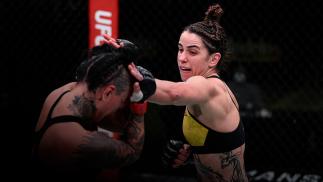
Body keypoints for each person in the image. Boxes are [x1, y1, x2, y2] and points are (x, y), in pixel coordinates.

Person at [104, 3, 248, 182]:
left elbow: (174, 94)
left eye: (192, 52)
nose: (182, 58)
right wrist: (192, 151)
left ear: (213, 59)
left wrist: (138, 79)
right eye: (180, 49)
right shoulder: (202, 90)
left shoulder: (209, 87)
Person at [31, 40, 156, 181]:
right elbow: (132, 151)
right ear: (108, 93)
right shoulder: (76, 141)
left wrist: (118, 56)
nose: (122, 106)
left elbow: (118, 125)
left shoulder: (66, 91)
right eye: (122, 102)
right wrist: (139, 104)